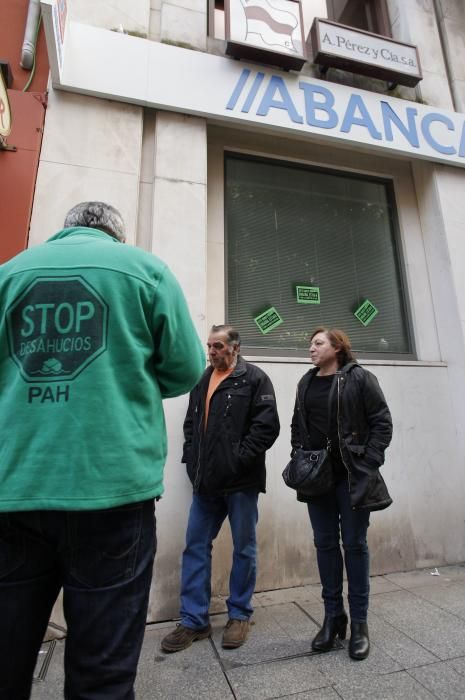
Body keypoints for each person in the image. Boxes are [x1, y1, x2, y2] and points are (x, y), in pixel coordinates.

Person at [0, 202, 205, 699]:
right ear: (116, 234)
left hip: (15, 490)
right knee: (103, 675)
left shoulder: (8, 274)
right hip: (113, 493)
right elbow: (186, 369)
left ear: (64, 230)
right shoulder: (145, 271)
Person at [161, 324, 280, 653]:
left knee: (244, 548)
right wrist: (191, 459)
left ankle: (239, 614)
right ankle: (194, 621)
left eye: (217, 346)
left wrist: (237, 460)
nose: (211, 352)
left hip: (241, 483)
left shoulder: (255, 379)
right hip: (205, 484)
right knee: (195, 547)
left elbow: (267, 426)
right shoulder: (202, 379)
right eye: (209, 347)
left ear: (235, 347)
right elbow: (191, 424)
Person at [290, 327, 392, 660]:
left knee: (355, 545)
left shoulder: (359, 378)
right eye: (310, 344)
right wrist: (299, 456)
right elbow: (296, 424)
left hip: (351, 478)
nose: (311, 348)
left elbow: (382, 421)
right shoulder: (306, 382)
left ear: (337, 347)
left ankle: (360, 624)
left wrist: (369, 459)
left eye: (318, 343)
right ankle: (334, 617)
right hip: (316, 480)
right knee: (325, 545)